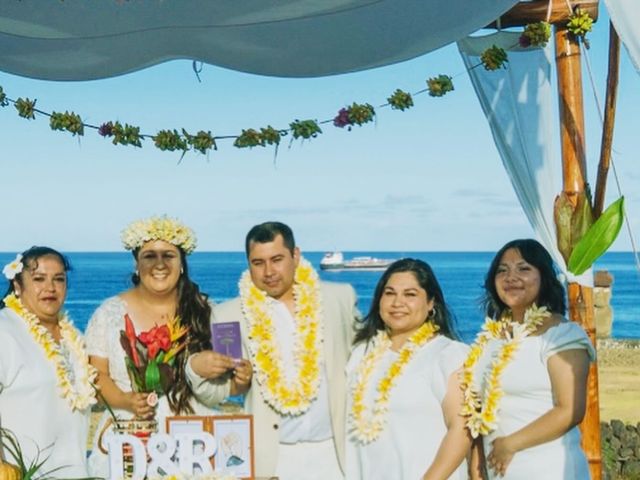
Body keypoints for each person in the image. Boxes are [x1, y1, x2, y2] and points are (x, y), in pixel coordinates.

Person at [186, 221, 359, 480]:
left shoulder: (339, 298)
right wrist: (195, 368)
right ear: (248, 264)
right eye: (258, 263)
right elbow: (217, 393)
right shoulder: (228, 317)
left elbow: (370, 359)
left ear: (295, 256)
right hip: (274, 459)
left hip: (337, 455)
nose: (268, 271)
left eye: (277, 259)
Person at [84, 216, 252, 477]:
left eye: (169, 256)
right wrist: (127, 401)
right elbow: (97, 377)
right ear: (136, 264)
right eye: (149, 256)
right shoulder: (108, 313)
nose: (159, 264)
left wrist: (242, 379)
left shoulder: (207, 311)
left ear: (182, 264)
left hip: (192, 441)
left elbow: (230, 385)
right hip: (129, 437)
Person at [462, 239, 594, 479]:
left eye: (523, 269)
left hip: (549, 468)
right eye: (502, 270)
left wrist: (511, 444)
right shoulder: (491, 339)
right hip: (499, 470)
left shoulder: (561, 335)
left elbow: (571, 410)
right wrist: (477, 457)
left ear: (543, 277)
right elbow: (478, 407)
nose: (511, 277)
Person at [345, 258, 471, 480]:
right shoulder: (362, 353)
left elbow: (461, 430)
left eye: (410, 294)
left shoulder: (449, 355)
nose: (397, 303)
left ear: (431, 302)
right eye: (390, 293)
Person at [0, 247, 96, 478]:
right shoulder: (5, 330)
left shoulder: (74, 338)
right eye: (39, 279)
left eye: (59, 279)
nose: (50, 288)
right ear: (17, 285)